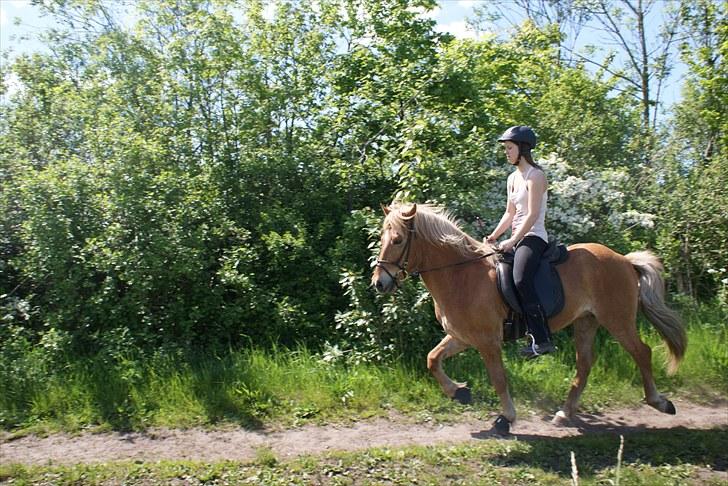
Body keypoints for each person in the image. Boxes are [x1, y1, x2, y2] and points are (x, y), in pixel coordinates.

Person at [485, 125, 555, 358]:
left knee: (521, 278)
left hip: (534, 238)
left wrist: (512, 239)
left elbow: (533, 214)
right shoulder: (512, 179)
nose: (506, 152)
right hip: (515, 238)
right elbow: (510, 214)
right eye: (505, 148)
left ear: (523, 148)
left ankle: (542, 339)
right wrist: (494, 236)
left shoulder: (536, 176)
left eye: (509, 148)